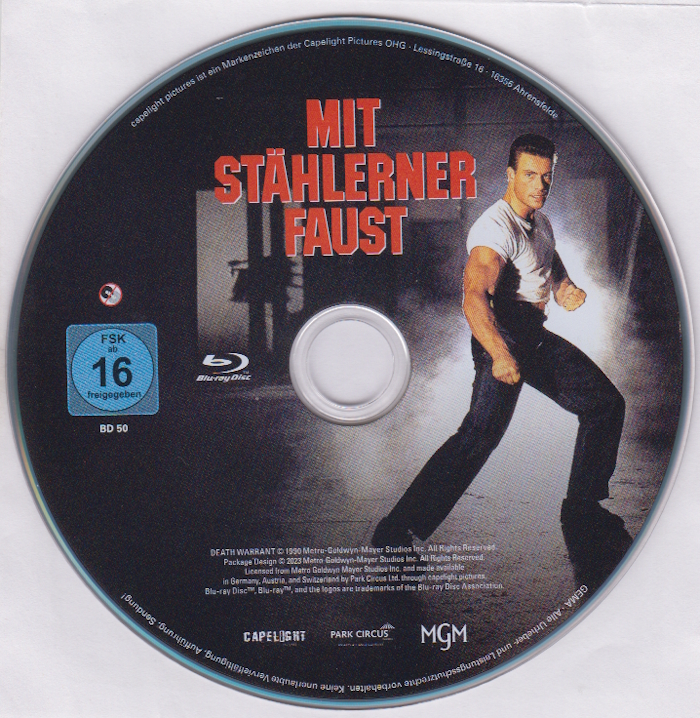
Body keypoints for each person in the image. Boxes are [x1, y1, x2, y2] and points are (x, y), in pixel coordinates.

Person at [372, 134, 625, 548]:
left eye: (546, 176)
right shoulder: (494, 229)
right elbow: (474, 298)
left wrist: (563, 286)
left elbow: (547, 257)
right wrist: (500, 355)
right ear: (510, 175)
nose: (539, 185)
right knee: (479, 435)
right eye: (529, 175)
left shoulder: (540, 221)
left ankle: (582, 505)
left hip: (533, 334)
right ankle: (395, 529)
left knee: (605, 404)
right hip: (501, 334)